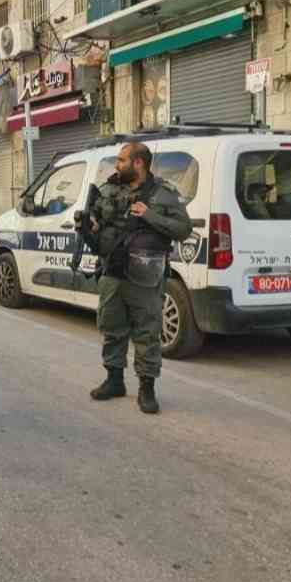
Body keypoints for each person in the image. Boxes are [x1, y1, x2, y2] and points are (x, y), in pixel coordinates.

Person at [86, 142, 192, 414]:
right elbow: (97, 219)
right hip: (113, 271)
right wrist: (90, 226)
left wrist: (150, 215)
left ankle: (147, 388)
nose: (116, 165)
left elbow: (183, 229)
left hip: (146, 273)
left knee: (147, 331)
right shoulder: (109, 189)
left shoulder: (163, 194)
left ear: (138, 163)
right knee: (111, 327)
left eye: (121, 160)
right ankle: (114, 380)